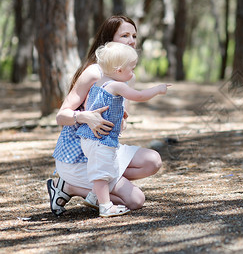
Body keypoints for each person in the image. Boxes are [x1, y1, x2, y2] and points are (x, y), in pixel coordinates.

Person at [47, 15, 163, 216]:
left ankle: (101, 184)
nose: (131, 41)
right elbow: (61, 116)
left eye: (134, 35)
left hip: (106, 148)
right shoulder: (94, 72)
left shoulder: (127, 76)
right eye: (124, 35)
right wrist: (86, 117)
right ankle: (69, 186)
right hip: (80, 153)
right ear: (109, 40)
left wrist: (122, 120)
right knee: (136, 200)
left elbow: (120, 122)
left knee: (153, 160)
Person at [77, 42, 170, 217]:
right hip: (100, 140)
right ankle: (105, 206)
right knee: (102, 173)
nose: (133, 73)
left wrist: (118, 114)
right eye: (132, 69)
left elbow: (97, 105)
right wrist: (158, 89)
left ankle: (92, 196)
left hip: (89, 138)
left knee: (106, 168)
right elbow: (139, 96)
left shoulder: (98, 83)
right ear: (119, 70)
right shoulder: (116, 85)